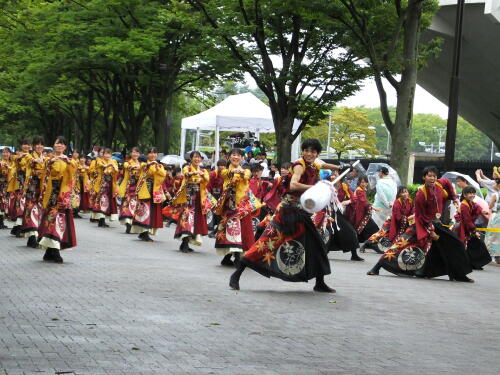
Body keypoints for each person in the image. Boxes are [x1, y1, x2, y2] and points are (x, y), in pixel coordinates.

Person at [229, 139, 340, 293]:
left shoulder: (313, 164)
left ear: (317, 154)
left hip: (301, 213)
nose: (309, 153)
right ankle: (237, 274)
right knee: (266, 243)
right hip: (288, 212)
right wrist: (318, 187)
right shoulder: (300, 166)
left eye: (313, 151)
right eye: (306, 150)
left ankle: (319, 282)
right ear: (303, 151)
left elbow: (323, 164)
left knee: (317, 245)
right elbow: (294, 185)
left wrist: (339, 167)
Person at [367, 166, 474, 282]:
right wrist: (431, 231)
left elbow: (447, 182)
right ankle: (376, 267)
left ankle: (458, 274)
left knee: (455, 244)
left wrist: (453, 197)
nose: (432, 178)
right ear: (424, 177)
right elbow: (421, 216)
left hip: (436, 223)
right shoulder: (421, 194)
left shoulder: (439, 184)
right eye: (429, 176)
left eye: (434, 176)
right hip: (421, 225)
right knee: (399, 245)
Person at [215, 149, 260, 266]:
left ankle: (236, 257)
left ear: (242, 158)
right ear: (229, 157)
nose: (236, 157)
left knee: (243, 229)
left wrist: (239, 172)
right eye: (234, 154)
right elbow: (227, 174)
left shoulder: (246, 171)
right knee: (231, 229)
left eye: (239, 155)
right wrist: (234, 172)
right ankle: (232, 257)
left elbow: (246, 176)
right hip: (229, 205)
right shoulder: (225, 171)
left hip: (242, 205)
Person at [38, 136, 77, 263]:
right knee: (51, 219)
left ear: (65, 147)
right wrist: (51, 162)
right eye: (57, 143)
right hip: (52, 193)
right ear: (54, 145)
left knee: (59, 220)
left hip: (63, 194)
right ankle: (53, 251)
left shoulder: (69, 161)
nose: (59, 145)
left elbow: (73, 175)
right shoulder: (48, 160)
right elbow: (44, 173)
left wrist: (68, 162)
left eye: (62, 144)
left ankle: (51, 251)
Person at [316, 169, 363, 261]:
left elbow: (354, 199)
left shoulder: (344, 186)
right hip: (327, 212)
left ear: (341, 176)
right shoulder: (327, 185)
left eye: (335, 175)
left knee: (350, 231)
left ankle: (354, 254)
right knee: (328, 233)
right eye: (332, 175)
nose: (333, 176)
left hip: (338, 213)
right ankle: (323, 254)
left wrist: (346, 201)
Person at [173, 151, 211, 252]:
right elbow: (186, 174)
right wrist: (195, 174)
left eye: (199, 158)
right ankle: (184, 243)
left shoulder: (203, 170)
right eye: (195, 157)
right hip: (188, 197)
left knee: (195, 219)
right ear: (191, 158)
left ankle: (185, 243)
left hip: (199, 198)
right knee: (187, 217)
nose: (197, 159)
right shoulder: (187, 168)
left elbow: (206, 179)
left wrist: (200, 175)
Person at [130, 147, 167, 241]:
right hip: (145, 190)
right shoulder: (143, 164)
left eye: (154, 153)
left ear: (157, 155)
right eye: (150, 153)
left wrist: (156, 166)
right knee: (144, 210)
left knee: (153, 211)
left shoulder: (159, 165)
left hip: (155, 191)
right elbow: (143, 168)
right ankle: (144, 232)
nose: (152, 155)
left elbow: (163, 174)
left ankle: (146, 232)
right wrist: (150, 165)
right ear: (147, 155)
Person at [453, 186, 491, 270]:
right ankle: (461, 264)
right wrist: (474, 232)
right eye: (470, 193)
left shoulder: (470, 202)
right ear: (465, 195)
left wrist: (482, 211)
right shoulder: (464, 205)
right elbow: (467, 220)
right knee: (461, 246)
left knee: (475, 244)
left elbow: (476, 207)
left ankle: (473, 263)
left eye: (473, 193)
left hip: (466, 227)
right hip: (461, 228)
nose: (472, 195)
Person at [20, 136, 47, 248]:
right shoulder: (29, 155)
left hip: (42, 188)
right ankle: (31, 237)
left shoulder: (46, 158)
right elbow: (26, 160)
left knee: (40, 210)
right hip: (32, 187)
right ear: (33, 146)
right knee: (31, 209)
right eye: (37, 144)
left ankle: (35, 236)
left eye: (41, 144)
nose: (39, 146)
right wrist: (34, 160)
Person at [7, 138, 31, 237]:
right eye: (24, 144)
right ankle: (19, 226)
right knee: (20, 203)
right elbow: (14, 165)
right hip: (20, 184)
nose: (26, 146)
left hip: (30, 184)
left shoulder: (32, 156)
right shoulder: (16, 157)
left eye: (28, 144)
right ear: (21, 146)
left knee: (27, 205)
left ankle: (23, 227)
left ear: (30, 146)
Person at [352, 176, 382, 254]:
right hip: (362, 216)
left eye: (365, 182)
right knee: (375, 229)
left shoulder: (361, 190)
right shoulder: (359, 191)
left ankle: (365, 246)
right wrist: (374, 207)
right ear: (359, 182)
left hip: (363, 214)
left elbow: (364, 202)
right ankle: (373, 246)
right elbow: (364, 203)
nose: (364, 184)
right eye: (362, 182)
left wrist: (370, 205)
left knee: (366, 232)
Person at [118, 147, 142, 234]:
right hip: (128, 187)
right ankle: (128, 223)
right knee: (127, 204)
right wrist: (134, 167)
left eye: (137, 152)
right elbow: (127, 166)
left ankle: (133, 224)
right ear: (131, 154)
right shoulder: (127, 163)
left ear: (139, 154)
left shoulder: (141, 164)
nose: (135, 154)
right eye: (133, 152)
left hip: (138, 188)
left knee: (136, 205)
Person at [92, 148, 119, 228]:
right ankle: (101, 219)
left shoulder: (113, 161)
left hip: (110, 183)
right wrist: (107, 166)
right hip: (101, 184)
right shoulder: (98, 160)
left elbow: (116, 169)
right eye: (106, 154)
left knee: (108, 201)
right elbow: (101, 166)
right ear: (102, 154)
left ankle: (103, 219)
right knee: (101, 200)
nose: (107, 155)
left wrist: (111, 167)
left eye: (109, 154)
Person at [207, 159, 227, 237]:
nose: (221, 167)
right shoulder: (212, 174)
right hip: (213, 196)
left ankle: (216, 231)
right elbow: (208, 186)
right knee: (215, 214)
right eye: (220, 165)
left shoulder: (227, 174)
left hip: (223, 196)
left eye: (223, 166)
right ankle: (213, 230)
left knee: (221, 216)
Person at [484, 178, 500, 265]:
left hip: (496, 216)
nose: (493, 185)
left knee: (492, 236)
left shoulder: (495, 195)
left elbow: (490, 206)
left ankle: (493, 256)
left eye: (494, 184)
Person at [0, 147, 14, 229]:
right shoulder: (1, 162)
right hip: (1, 185)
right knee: (1, 203)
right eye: (4, 152)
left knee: (5, 204)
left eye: (7, 152)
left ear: (10, 154)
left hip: (9, 186)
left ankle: (2, 221)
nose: (5, 154)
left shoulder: (12, 163)